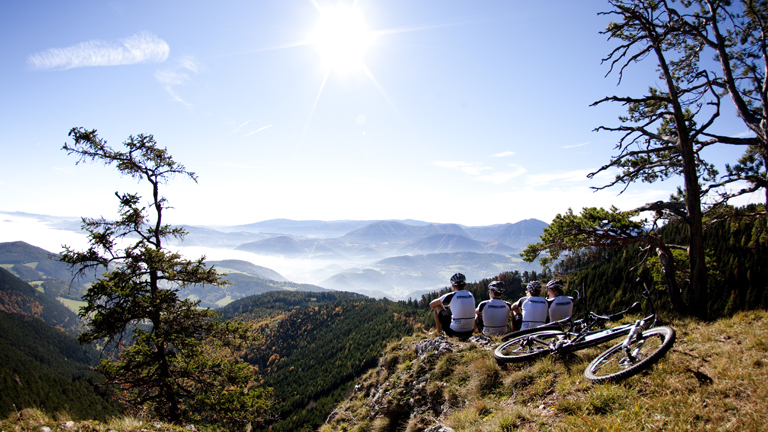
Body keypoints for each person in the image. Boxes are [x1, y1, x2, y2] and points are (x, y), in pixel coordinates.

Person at [430, 272, 476, 338]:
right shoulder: (471, 295)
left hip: (454, 332)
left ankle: (439, 331)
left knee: (437, 306)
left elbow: (432, 304)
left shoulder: (451, 295)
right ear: (465, 285)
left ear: (453, 286)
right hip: (470, 331)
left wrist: (443, 307)